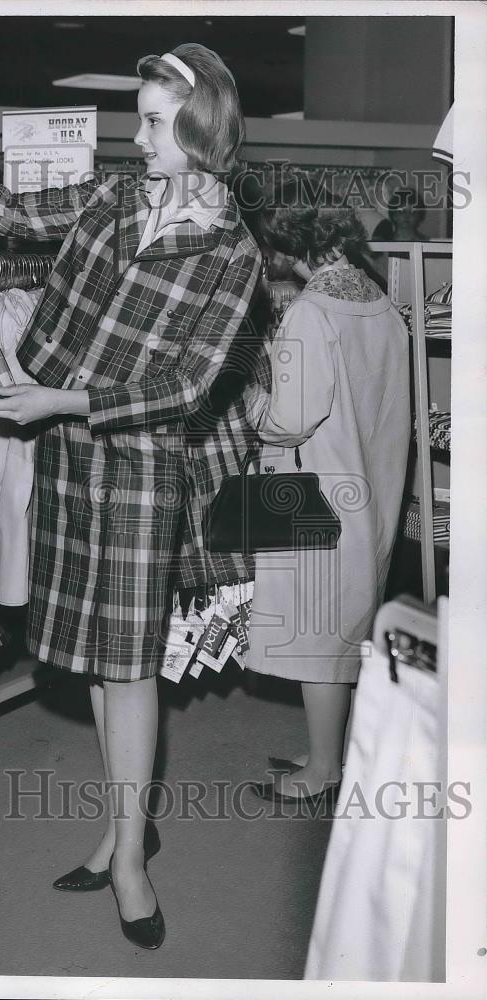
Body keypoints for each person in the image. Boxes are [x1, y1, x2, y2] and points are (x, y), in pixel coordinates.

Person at [0, 43, 260, 949]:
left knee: (128, 665)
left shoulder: (232, 254)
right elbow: (11, 212)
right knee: (94, 656)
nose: (138, 138)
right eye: (139, 117)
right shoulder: (116, 199)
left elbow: (189, 386)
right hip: (64, 453)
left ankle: (129, 858)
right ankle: (125, 823)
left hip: (137, 463)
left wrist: (65, 400)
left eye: (154, 122)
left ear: (202, 127)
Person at [242, 187, 410, 804]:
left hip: (316, 491)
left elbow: (291, 418)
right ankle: (327, 753)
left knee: (318, 637)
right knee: (343, 631)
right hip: (368, 485)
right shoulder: (378, 302)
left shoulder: (311, 313)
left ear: (287, 247)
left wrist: (247, 395)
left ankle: (322, 772)